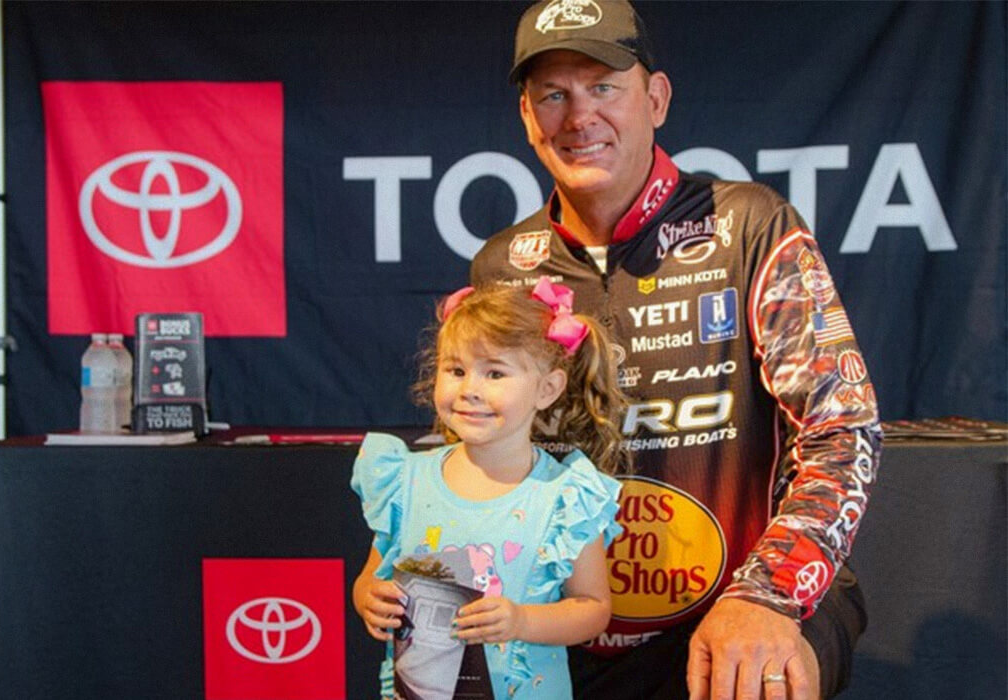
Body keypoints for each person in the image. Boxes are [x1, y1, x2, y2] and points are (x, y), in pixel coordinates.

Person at [470, 2, 883, 699]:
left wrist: (768, 595)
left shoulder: (748, 224)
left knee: (759, 676)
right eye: (553, 94)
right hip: (570, 620)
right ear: (526, 116)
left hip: (744, 602)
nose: (579, 117)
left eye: (603, 87)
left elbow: (842, 431)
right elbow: (480, 462)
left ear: (655, 99)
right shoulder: (504, 266)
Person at [351, 278, 631, 698]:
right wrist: (369, 599)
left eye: (495, 372)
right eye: (456, 370)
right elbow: (370, 578)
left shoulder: (566, 496)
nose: (469, 390)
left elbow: (592, 610)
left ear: (547, 389)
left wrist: (520, 621)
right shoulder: (403, 480)